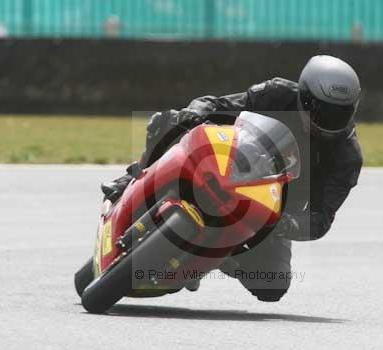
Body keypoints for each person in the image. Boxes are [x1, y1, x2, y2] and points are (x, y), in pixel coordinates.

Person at [102, 55, 363, 302]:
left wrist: (288, 224)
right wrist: (195, 111)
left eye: (339, 114)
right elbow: (219, 105)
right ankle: (133, 177)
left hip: (268, 212)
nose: (329, 123)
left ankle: (219, 258)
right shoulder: (275, 94)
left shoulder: (347, 158)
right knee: (168, 122)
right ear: (303, 97)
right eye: (322, 112)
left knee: (273, 285)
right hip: (225, 164)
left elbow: (321, 218)